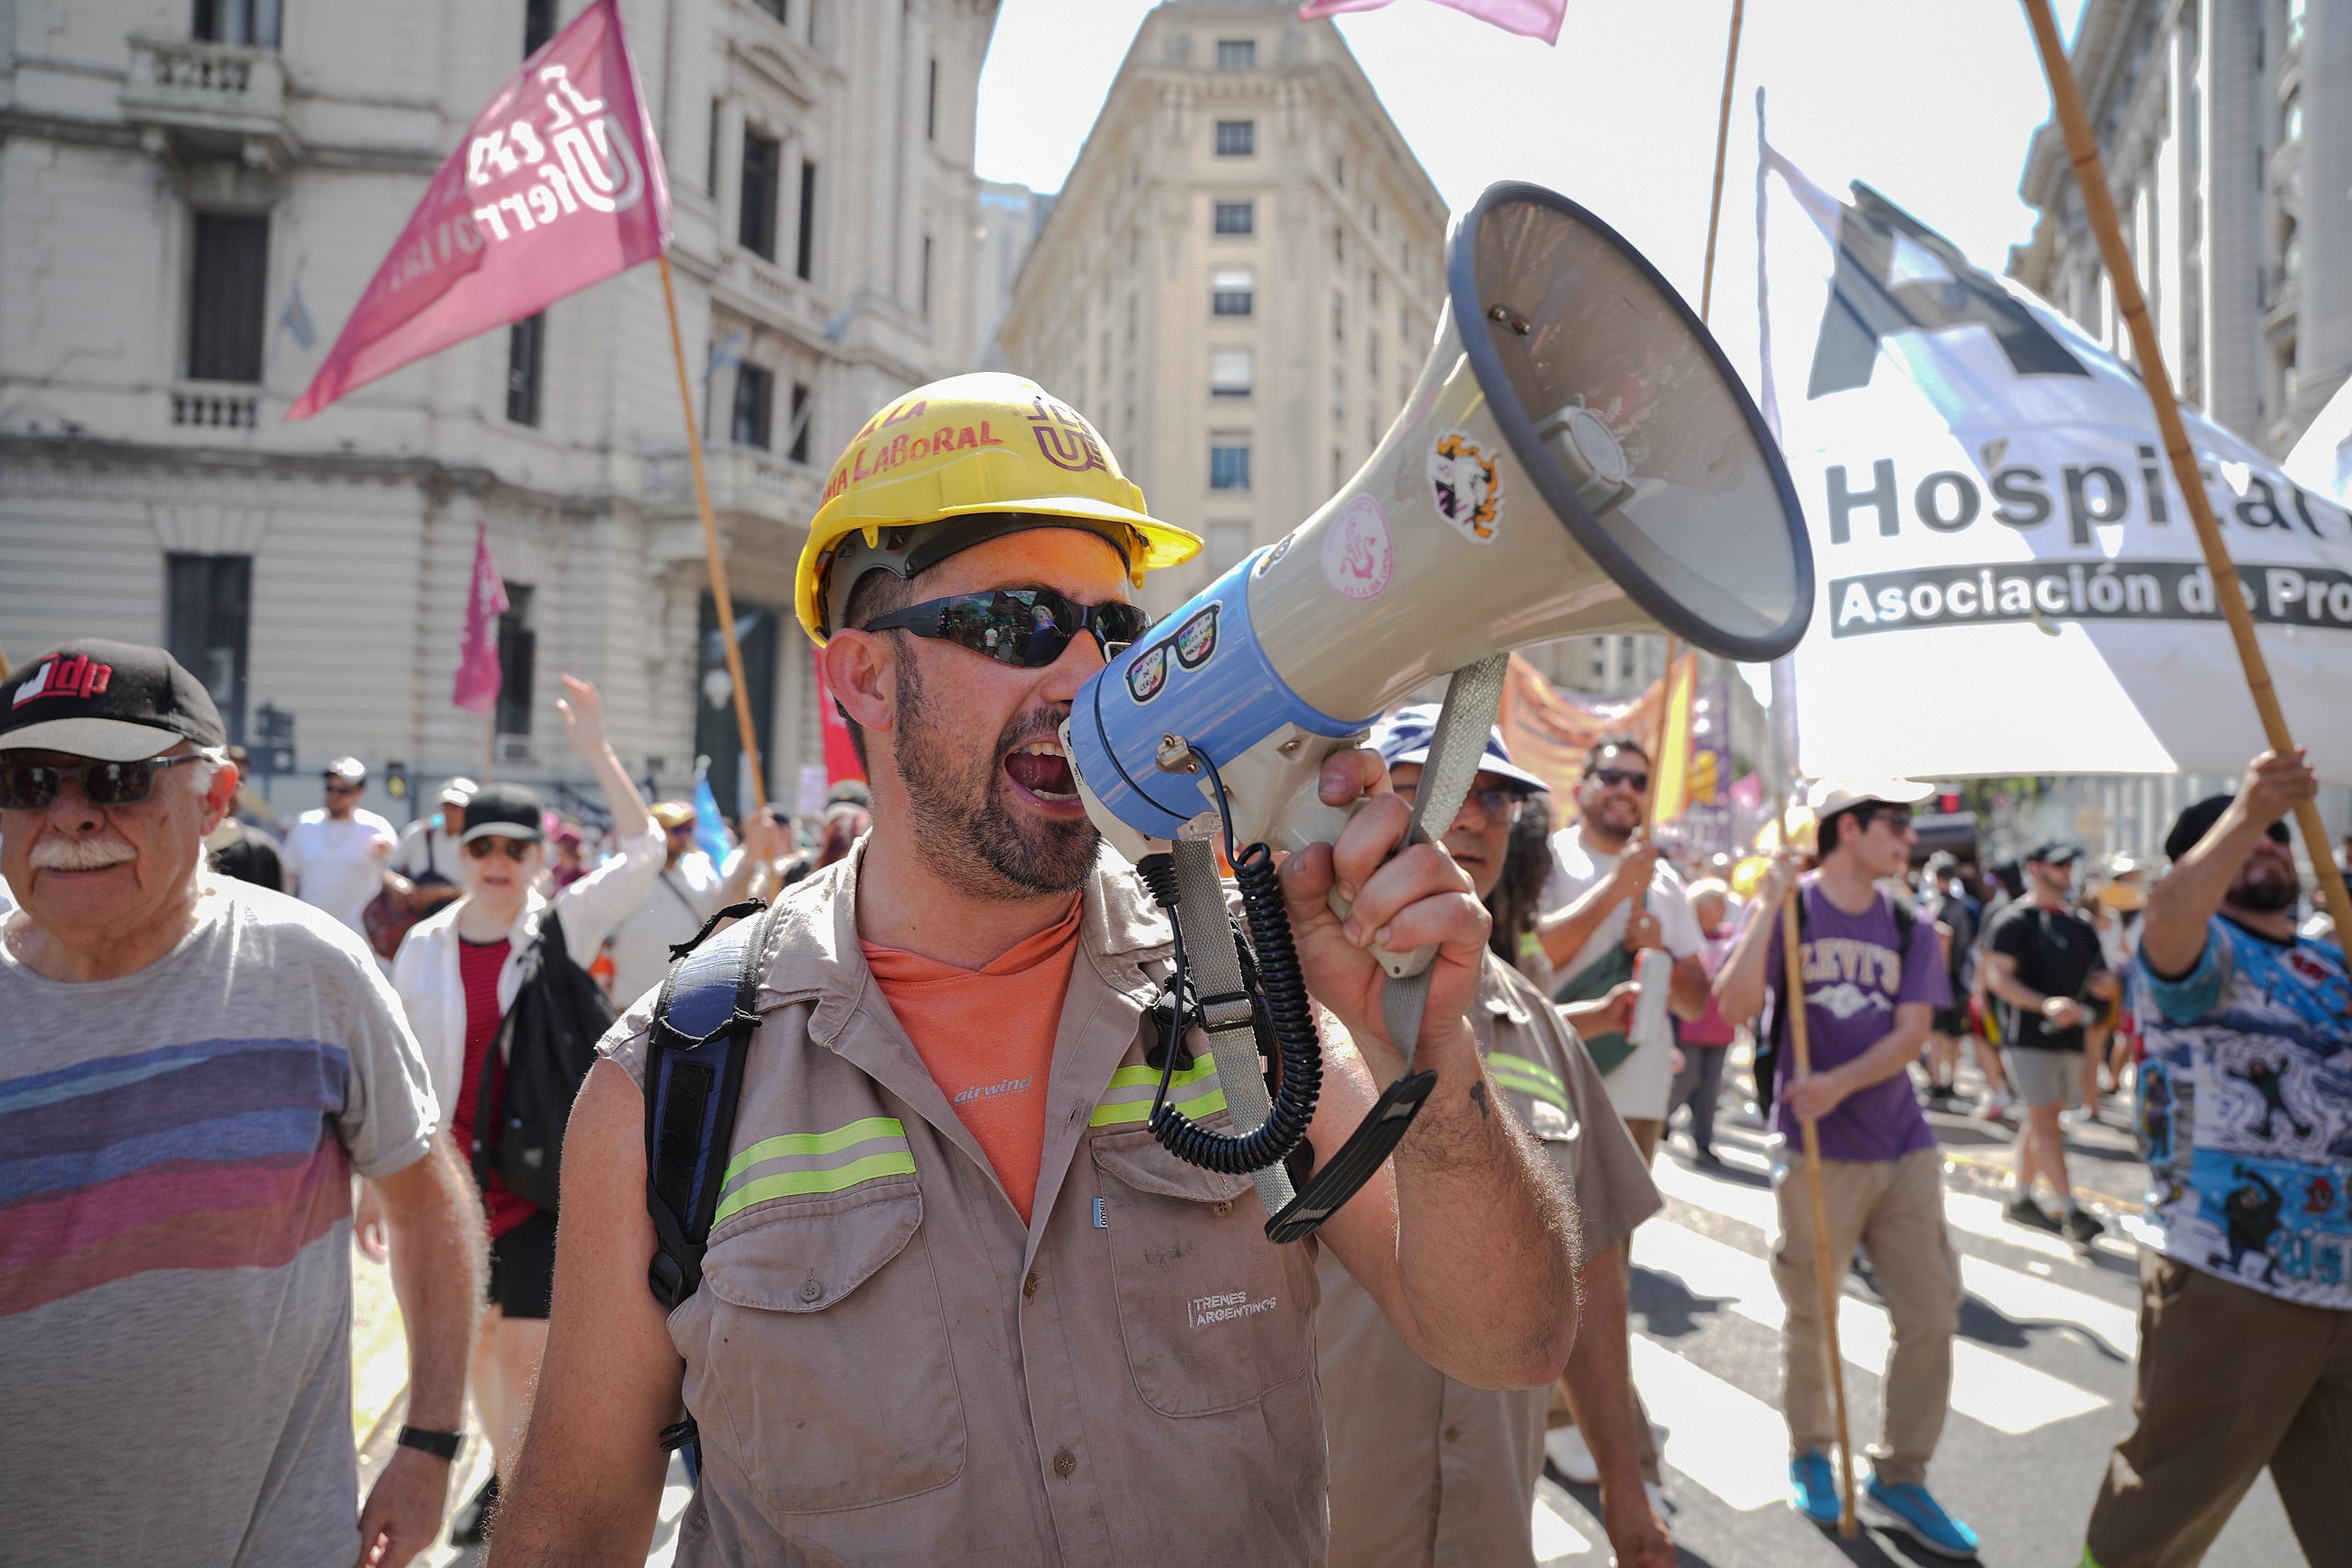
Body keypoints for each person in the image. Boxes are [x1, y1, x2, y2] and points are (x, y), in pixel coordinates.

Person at [490, 372, 1579, 1567]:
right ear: (860, 675)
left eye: (1114, 629)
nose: (1085, 676)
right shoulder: (669, 1082)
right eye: (1015, 624)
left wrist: (1431, 1051)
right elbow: (573, 1530)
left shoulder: (1246, 997)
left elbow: (1509, 1342)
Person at [0, 638, 481, 1568]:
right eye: (26, 781)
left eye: (116, 778)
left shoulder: (312, 972)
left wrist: (427, 1446)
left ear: (214, 800)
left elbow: (425, 1201)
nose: (71, 815)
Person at [1319, 705, 1672, 1568]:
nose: (1472, 816)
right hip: (1322, 1526)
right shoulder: (1277, 1004)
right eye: (1432, 789)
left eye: (1497, 798)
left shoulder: (1541, 1023)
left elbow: (1589, 1271)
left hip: (1489, 1524)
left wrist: (1624, 1487)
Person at [388, 675, 660, 1543]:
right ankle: (514, 1493)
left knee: (524, 1353)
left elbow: (646, 849)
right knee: (478, 1344)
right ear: (461, 851)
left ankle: (523, 1514)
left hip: (540, 1173)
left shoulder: (561, 927)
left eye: (516, 846)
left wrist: (595, 750)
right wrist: (377, 1183)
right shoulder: (425, 946)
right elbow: (406, 1072)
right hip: (452, 1178)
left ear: (539, 856)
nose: (499, 859)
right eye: (483, 846)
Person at [2081, 752, 2352, 1568]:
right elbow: (2166, 917)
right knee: (2156, 1520)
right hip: (2236, 1276)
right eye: (2243, 841)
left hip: (2343, 1280)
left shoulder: (2330, 960)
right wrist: (2246, 810)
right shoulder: (2198, 954)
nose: (2267, 845)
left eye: (2276, 836)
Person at [1714, 778, 1976, 1558]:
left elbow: (1913, 1034)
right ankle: (1811, 1451)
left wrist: (1838, 1082)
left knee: (1931, 1312)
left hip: (1900, 1143)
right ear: (1849, 828)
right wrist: (1766, 903)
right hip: (1813, 1148)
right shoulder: (1791, 907)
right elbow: (1731, 1006)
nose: (1908, 839)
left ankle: (1901, 1471)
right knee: (1812, 1312)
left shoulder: (1908, 921)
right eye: (1895, 824)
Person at [1532, 735, 1711, 1156]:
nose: (1625, 790)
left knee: (1617, 1227)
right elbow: (1531, 959)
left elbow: (1696, 1003)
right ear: (1580, 789)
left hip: (1637, 1101)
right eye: (1611, 776)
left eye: (1638, 781)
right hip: (1551, 1086)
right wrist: (1616, 889)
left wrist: (1660, 952)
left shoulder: (1665, 880)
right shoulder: (1546, 859)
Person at [1981, 840, 2109, 1242]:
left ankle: (2020, 1197)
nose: (2067, 871)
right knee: (2047, 1119)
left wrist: (2105, 991)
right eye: (2058, 864)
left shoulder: (2081, 926)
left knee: (2041, 1119)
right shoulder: (2013, 921)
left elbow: (2100, 980)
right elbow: (1997, 979)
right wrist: (2045, 1004)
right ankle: (2071, 1210)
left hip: (2071, 1040)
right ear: (2034, 868)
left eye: (2070, 863)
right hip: (2027, 1037)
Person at [603, 798, 782, 1008]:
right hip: (630, 1004)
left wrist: (752, 856)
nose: (685, 836)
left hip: (682, 1002)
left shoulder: (699, 868)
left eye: (688, 829)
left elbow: (723, 912)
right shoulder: (625, 875)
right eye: (676, 830)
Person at [1665, 877, 1738, 1166]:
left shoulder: (1730, 937)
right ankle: (1657, 1119)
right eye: (1718, 904)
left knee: (1710, 1088)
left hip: (1720, 1027)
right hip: (1689, 1024)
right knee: (1685, 1079)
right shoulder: (1685, 938)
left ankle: (1703, 1143)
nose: (1723, 910)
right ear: (1703, 907)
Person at [282, 754, 397, 937]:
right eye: (330, 788)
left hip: (361, 935)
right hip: (312, 933)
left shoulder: (375, 827)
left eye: (343, 791)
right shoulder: (305, 824)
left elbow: (392, 870)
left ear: (359, 793)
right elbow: (289, 875)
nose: (334, 795)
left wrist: (384, 853)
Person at [1917, 852, 1979, 1105]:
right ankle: (1949, 1079)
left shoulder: (1923, 904)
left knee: (1936, 1033)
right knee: (1954, 1034)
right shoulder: (1968, 906)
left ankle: (1936, 1080)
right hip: (1960, 980)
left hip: (1934, 979)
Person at [206, 747, 286, 892]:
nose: (231, 790)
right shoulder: (178, 846)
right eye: (224, 779)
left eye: (239, 781)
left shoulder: (262, 852)